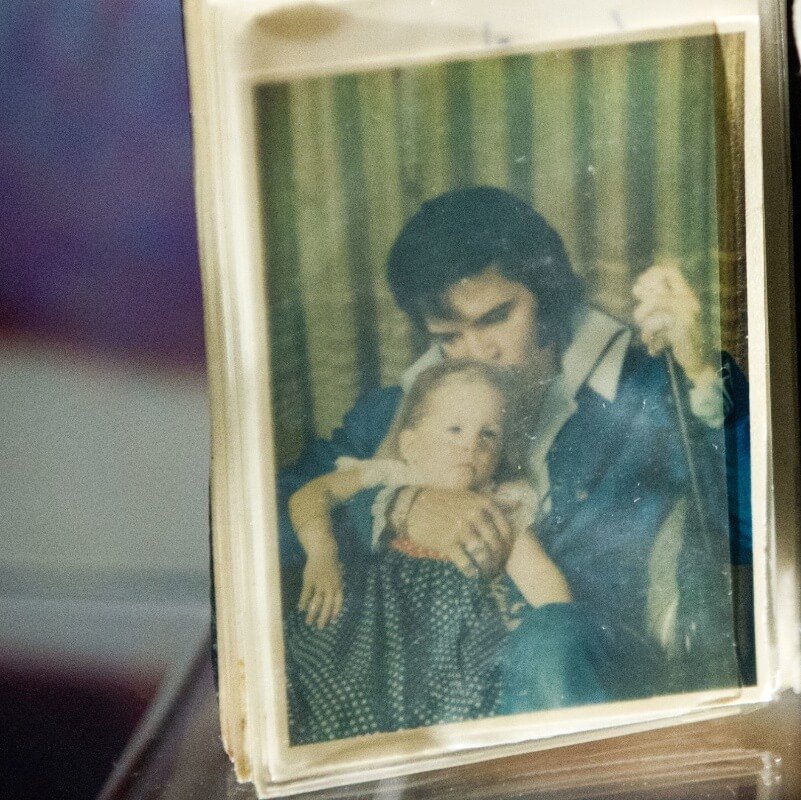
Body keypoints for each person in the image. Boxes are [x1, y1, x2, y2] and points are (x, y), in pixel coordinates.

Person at [277, 186, 748, 712]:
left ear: (548, 299)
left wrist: (705, 374)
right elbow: (262, 522)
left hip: (573, 680)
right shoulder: (400, 410)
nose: (479, 352)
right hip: (417, 695)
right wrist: (405, 506)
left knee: (548, 643)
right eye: (449, 336)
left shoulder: (644, 392)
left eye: (496, 318)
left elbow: (754, 530)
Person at [282, 360, 596, 743]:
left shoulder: (499, 506)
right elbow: (310, 495)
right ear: (412, 445)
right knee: (342, 693)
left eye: (488, 434)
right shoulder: (392, 476)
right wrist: (322, 554)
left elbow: (544, 584)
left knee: (475, 710)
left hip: (460, 642)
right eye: (455, 429)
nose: (471, 445)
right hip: (373, 623)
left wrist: (560, 638)